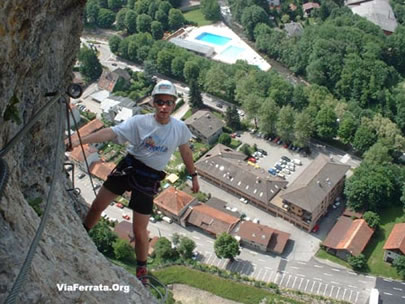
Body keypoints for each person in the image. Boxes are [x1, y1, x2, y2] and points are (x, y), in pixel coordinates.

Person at [69, 80, 199, 284]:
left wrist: (194, 176)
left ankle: (141, 271)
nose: (164, 107)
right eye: (160, 102)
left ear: (174, 105)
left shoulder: (180, 128)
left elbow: (186, 152)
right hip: (129, 167)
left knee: (140, 230)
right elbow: (111, 133)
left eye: (168, 102)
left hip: (149, 177)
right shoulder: (139, 122)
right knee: (97, 206)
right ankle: (81, 235)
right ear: (153, 103)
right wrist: (78, 141)